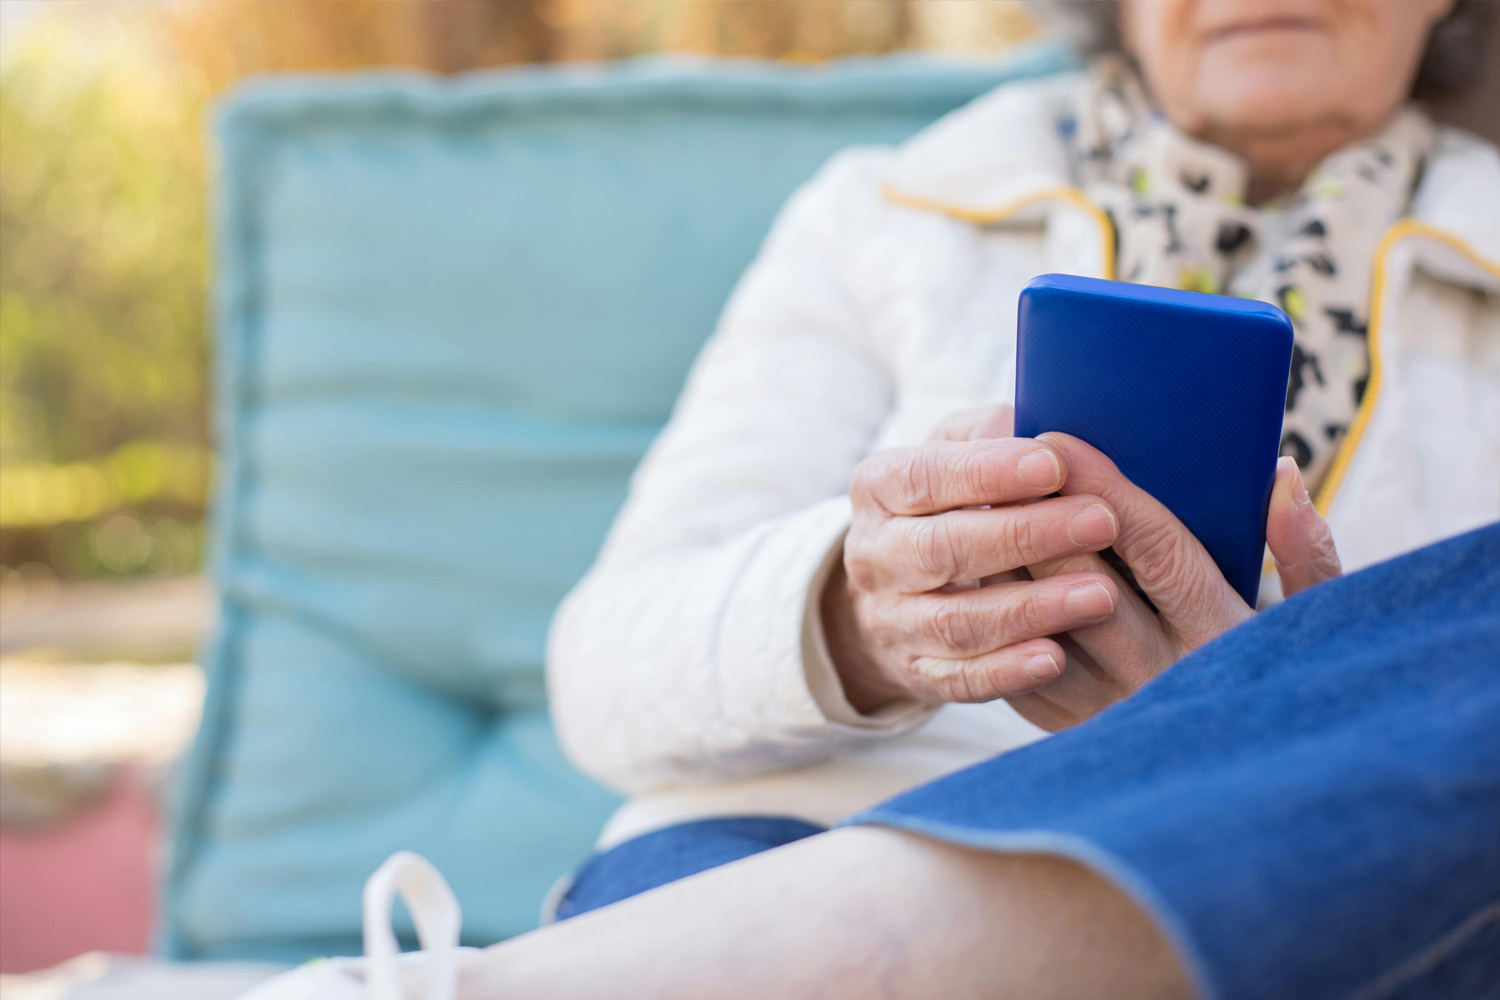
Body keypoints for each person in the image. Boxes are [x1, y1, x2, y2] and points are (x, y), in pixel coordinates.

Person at [547, 0, 1499, 903]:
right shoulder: (879, 216)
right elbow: (603, 674)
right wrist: (862, 618)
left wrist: (1304, 724)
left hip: (1295, 875)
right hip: (819, 834)